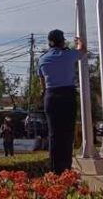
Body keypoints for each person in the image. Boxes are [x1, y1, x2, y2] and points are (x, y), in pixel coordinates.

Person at [38, 29, 85, 175]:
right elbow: (82, 51)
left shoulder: (42, 59)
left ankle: (54, 169)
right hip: (67, 95)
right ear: (62, 41)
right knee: (67, 133)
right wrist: (79, 42)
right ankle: (66, 168)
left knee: (54, 134)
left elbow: (42, 83)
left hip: (51, 96)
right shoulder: (67, 55)